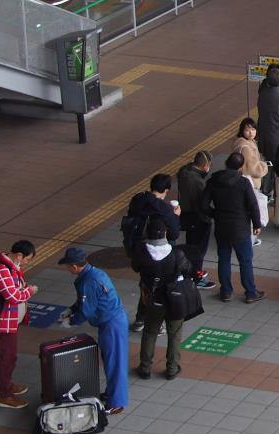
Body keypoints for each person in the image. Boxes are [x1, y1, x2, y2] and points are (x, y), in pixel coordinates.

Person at [58, 247, 128, 415]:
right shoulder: (94, 273)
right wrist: (71, 309)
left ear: (74, 266)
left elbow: (87, 310)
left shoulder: (88, 281)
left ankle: (116, 403)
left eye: (67, 266)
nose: (67, 269)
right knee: (112, 361)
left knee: (114, 364)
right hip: (112, 322)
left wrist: (72, 320)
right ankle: (112, 394)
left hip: (111, 325)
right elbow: (86, 301)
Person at [133, 218, 194, 380]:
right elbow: (189, 270)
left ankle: (145, 367)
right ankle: (172, 368)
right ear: (165, 233)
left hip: (153, 298)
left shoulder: (142, 252)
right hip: (175, 298)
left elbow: (135, 267)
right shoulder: (177, 254)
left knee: (150, 332)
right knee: (174, 333)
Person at [124, 173, 182, 332]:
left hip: (137, 249)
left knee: (145, 283)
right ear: (167, 189)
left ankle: (140, 320)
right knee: (158, 286)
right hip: (157, 252)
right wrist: (175, 216)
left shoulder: (138, 199)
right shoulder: (164, 208)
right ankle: (155, 322)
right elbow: (175, 234)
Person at [205, 152, 264, 303]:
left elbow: (202, 204)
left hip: (222, 226)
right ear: (241, 166)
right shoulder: (243, 183)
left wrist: (215, 214)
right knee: (245, 260)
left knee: (223, 259)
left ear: (226, 163)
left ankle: (226, 291)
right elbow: (252, 205)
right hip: (240, 227)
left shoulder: (214, 181)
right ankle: (250, 292)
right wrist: (256, 224)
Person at [0, 240, 37, 410]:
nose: (26, 262)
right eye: (27, 259)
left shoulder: (10, 266)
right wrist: (30, 291)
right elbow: (13, 297)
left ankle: (7, 386)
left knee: (7, 356)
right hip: (3, 323)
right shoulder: (1, 270)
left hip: (9, 321)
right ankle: (5, 395)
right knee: (8, 358)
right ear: (19, 255)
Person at [176, 151, 217, 289]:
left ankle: (190, 272)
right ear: (206, 165)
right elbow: (202, 204)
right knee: (198, 250)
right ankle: (196, 276)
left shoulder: (184, 172)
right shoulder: (197, 181)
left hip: (187, 216)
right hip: (198, 218)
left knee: (190, 246)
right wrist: (212, 215)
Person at [231, 117, 269, 242]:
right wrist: (264, 166)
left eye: (253, 129)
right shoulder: (246, 148)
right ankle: (251, 239)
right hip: (249, 183)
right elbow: (254, 169)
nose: (251, 132)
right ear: (242, 131)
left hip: (240, 182)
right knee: (252, 210)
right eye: (247, 130)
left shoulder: (240, 143)